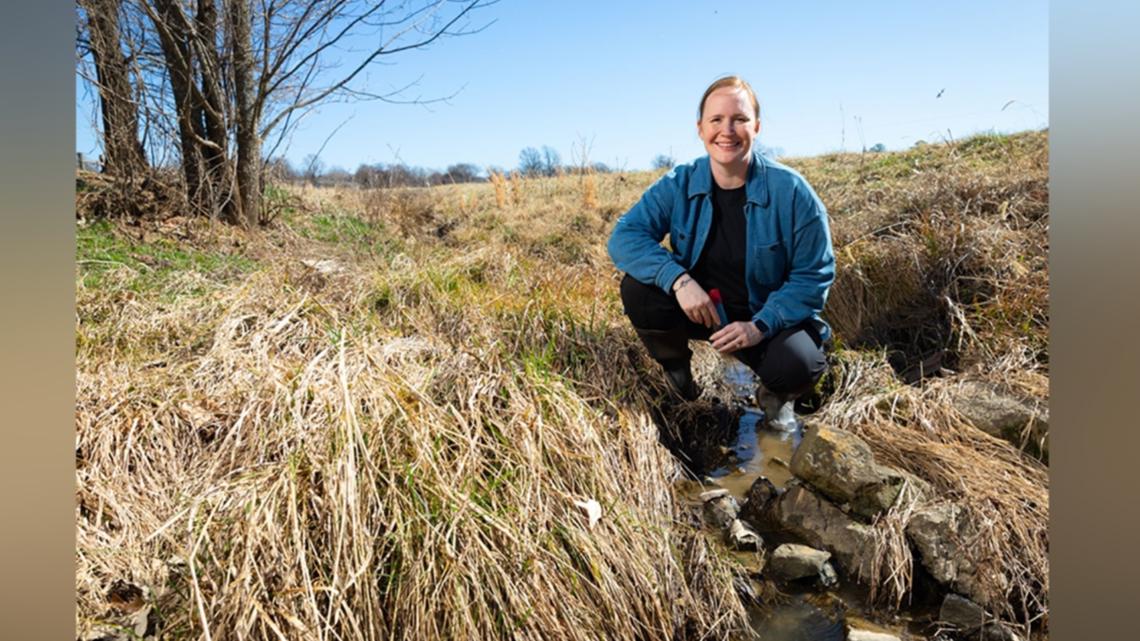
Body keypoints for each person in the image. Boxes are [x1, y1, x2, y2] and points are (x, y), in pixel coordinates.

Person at [606, 75, 835, 430]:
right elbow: (625, 236)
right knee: (639, 289)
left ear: (756, 127)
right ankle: (678, 374)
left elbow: (813, 277)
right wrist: (679, 280)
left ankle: (774, 396)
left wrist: (760, 326)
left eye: (739, 119)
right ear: (700, 129)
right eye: (716, 120)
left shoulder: (793, 192)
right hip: (705, 314)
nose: (726, 130)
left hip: (765, 321)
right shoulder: (679, 183)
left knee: (800, 366)